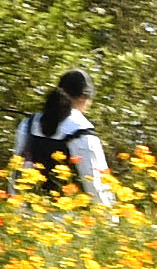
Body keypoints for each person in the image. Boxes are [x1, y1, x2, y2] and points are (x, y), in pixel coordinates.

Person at [14, 71, 116, 208]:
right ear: (84, 98)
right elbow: (96, 183)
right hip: (69, 216)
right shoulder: (82, 131)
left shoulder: (28, 124)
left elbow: (16, 171)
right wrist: (110, 217)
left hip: (29, 213)